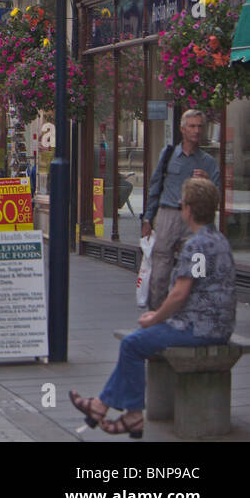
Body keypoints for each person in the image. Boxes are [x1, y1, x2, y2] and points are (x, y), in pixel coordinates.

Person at [70, 177, 235, 438]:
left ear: (188, 210)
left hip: (197, 328)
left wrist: (156, 317)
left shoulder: (196, 245)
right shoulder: (220, 240)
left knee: (133, 343)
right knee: (138, 339)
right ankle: (100, 406)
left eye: (182, 204)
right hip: (218, 326)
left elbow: (180, 293)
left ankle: (132, 414)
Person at [142, 109, 219, 310]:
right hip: (168, 215)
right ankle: (156, 316)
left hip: (195, 220)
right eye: (192, 126)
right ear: (183, 129)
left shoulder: (209, 162)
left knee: (197, 270)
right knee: (160, 272)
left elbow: (216, 197)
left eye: (200, 126)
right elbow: (155, 186)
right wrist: (148, 218)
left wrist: (208, 182)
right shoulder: (168, 155)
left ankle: (194, 314)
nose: (196, 131)